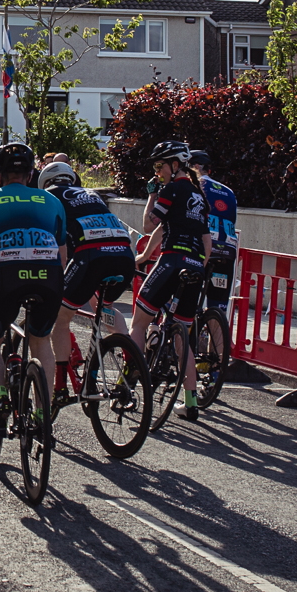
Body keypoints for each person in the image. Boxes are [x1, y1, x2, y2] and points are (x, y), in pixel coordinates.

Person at [0, 142, 68, 436]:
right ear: (31, 173)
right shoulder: (51, 202)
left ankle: (0, 400)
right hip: (50, 277)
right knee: (41, 341)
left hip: (7, 276)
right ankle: (41, 412)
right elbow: (62, 256)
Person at [130, 139, 213, 421]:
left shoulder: (169, 190)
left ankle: (128, 382)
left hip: (171, 260)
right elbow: (207, 242)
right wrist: (196, 266)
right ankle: (190, 403)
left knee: (139, 322)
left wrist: (153, 194)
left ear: (174, 165)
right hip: (195, 267)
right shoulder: (199, 196)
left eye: (159, 165)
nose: (157, 171)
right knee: (183, 338)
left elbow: (149, 224)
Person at [40, 159, 134, 408]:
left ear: (45, 183)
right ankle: (130, 361)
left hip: (92, 256)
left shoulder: (50, 197)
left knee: (60, 319)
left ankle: (59, 387)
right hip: (124, 255)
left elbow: (50, 244)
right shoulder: (91, 194)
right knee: (103, 309)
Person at [192, 149, 239, 323]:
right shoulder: (229, 192)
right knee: (218, 308)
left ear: (195, 167)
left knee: (183, 300)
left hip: (203, 247)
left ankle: (183, 346)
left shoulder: (194, 186)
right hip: (227, 251)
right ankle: (219, 350)